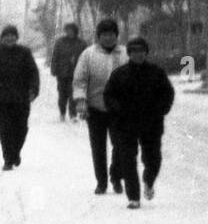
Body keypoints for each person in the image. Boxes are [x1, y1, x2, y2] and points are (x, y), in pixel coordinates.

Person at [103, 36, 175, 209]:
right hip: (126, 124)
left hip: (151, 123)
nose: (138, 54)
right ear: (129, 54)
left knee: (153, 158)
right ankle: (133, 196)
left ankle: (148, 180)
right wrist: (117, 110)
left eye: (141, 51)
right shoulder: (119, 74)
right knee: (128, 160)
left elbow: (168, 94)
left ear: (146, 53)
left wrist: (160, 110)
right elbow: (108, 95)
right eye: (134, 51)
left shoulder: (156, 73)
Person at [72, 18, 128, 195]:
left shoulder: (126, 54)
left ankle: (116, 176)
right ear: (98, 36)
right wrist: (81, 100)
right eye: (104, 35)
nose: (108, 38)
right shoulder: (88, 55)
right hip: (95, 108)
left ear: (116, 36)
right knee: (98, 147)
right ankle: (101, 182)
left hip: (119, 109)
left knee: (120, 145)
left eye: (111, 34)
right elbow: (80, 80)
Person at [0, 25, 40, 170]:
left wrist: (33, 89)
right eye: (7, 35)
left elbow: (33, 72)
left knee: (21, 128)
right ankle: (7, 159)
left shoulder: (25, 52)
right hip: (1, 99)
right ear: (2, 37)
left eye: (13, 35)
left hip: (21, 98)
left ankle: (15, 152)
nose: (10, 38)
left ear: (17, 37)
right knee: (4, 129)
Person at [48, 22, 84, 120]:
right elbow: (55, 56)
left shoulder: (81, 43)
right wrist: (53, 69)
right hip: (62, 72)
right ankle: (62, 113)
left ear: (75, 31)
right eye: (67, 30)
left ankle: (73, 114)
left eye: (71, 30)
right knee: (62, 94)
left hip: (76, 73)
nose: (69, 32)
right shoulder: (60, 42)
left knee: (73, 94)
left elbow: (85, 58)